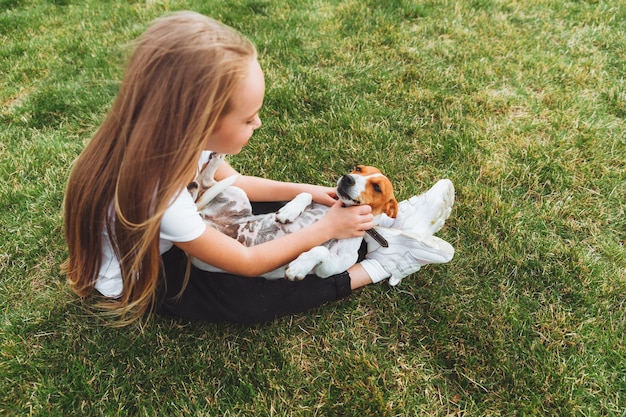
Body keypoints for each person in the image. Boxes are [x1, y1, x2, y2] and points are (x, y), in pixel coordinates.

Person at [62, 11, 454, 325]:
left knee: (276, 215)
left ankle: (386, 224)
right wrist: (325, 229)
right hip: (149, 271)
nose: (258, 124)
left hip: (170, 231)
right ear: (201, 121)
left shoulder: (168, 137)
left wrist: (310, 192)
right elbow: (248, 264)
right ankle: (379, 264)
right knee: (251, 300)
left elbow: (234, 181)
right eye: (250, 118)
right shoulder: (159, 193)